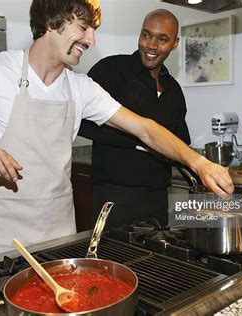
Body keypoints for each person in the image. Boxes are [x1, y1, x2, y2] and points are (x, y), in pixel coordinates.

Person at [0, 0, 233, 260]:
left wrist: (199, 162)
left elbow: (146, 129)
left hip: (59, 233)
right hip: (1, 235)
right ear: (52, 22)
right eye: (84, 27)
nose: (91, 39)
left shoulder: (81, 88)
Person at [78, 9, 190, 227]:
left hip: (158, 199)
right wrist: (141, 140)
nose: (151, 44)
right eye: (146, 35)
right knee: (109, 261)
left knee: (155, 261)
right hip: (114, 197)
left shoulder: (174, 90)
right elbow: (80, 122)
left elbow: (181, 141)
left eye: (162, 39)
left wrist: (167, 154)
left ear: (175, 44)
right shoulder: (110, 70)